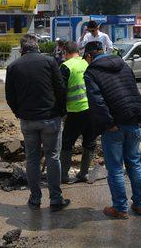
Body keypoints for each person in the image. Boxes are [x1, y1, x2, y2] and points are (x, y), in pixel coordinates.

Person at [5, 34, 70, 211]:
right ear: (37, 46)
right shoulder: (49, 62)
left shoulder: (13, 67)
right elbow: (60, 89)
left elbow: (10, 97)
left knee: (32, 159)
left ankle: (35, 199)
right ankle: (56, 199)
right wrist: (61, 111)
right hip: (50, 119)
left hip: (28, 120)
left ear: (21, 49)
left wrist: (19, 113)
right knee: (53, 157)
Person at [84, 41, 141, 219]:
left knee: (116, 169)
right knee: (134, 163)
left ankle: (120, 208)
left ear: (89, 56)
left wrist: (108, 124)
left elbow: (97, 103)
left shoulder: (92, 72)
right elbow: (135, 91)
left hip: (114, 127)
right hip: (133, 120)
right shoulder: (124, 65)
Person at [59, 41, 95, 183]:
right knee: (89, 142)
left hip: (75, 110)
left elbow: (60, 91)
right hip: (91, 109)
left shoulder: (66, 66)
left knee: (67, 143)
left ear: (66, 53)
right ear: (78, 52)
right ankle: (84, 173)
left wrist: (60, 111)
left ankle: (64, 176)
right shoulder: (86, 63)